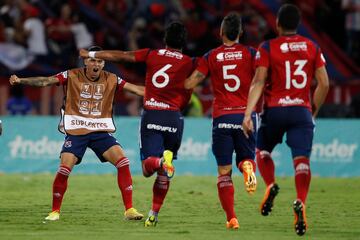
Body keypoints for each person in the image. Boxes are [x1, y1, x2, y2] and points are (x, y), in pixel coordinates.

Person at [9, 46, 144, 222]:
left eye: (100, 61)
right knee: (65, 168)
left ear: (104, 64)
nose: (96, 64)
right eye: (93, 60)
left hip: (100, 130)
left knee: (123, 161)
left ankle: (129, 210)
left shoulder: (112, 78)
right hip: (76, 130)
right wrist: (21, 81)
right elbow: (46, 81)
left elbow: (138, 90)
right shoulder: (71, 75)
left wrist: (162, 95)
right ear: (86, 61)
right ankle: (55, 211)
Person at [80, 22, 194, 227]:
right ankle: (154, 214)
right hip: (174, 117)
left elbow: (123, 56)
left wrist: (95, 55)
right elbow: (188, 91)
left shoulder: (152, 54)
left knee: (147, 167)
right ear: (184, 43)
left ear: (165, 39)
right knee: (164, 174)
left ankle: (160, 162)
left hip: (153, 114)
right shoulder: (188, 62)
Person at [241, 4, 329, 236]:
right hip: (301, 111)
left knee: (262, 150)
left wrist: (248, 113)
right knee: (302, 161)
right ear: (298, 24)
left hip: (275, 110)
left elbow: (259, 81)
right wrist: (313, 112)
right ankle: (300, 201)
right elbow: (324, 83)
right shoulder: (312, 46)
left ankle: (270, 184)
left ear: (277, 24)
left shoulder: (268, 47)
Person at [184, 13, 257, 230]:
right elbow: (264, 77)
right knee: (247, 157)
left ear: (221, 32)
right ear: (241, 33)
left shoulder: (211, 56)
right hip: (245, 116)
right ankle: (247, 166)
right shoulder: (251, 53)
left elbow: (191, 83)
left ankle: (232, 218)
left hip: (222, 118)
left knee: (224, 172)